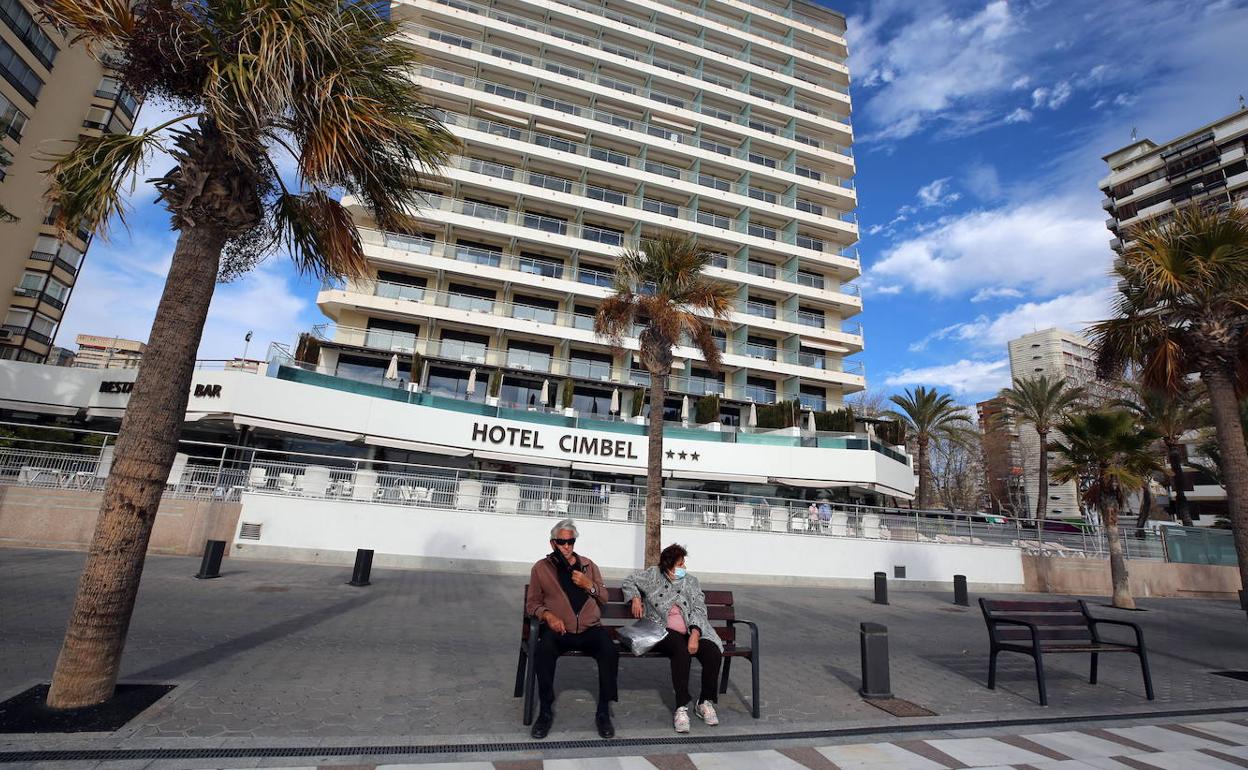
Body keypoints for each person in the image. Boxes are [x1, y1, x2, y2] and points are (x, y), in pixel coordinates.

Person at [525, 519, 618, 740]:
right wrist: (547, 615)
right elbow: (532, 604)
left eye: (571, 542)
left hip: (589, 629)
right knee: (543, 652)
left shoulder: (588, 565)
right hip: (559, 630)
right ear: (552, 543)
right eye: (562, 542)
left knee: (609, 651)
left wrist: (590, 585)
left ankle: (603, 711)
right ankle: (545, 711)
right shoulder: (541, 568)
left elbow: (604, 597)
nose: (566, 546)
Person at [622, 544, 724, 733]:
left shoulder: (691, 582)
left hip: (694, 629)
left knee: (712, 652)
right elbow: (630, 581)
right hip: (664, 630)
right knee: (681, 652)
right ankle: (681, 706)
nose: (684, 567)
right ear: (668, 566)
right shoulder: (653, 575)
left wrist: (694, 634)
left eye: (684, 563)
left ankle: (704, 702)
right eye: (680, 563)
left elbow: (699, 609)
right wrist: (635, 598)